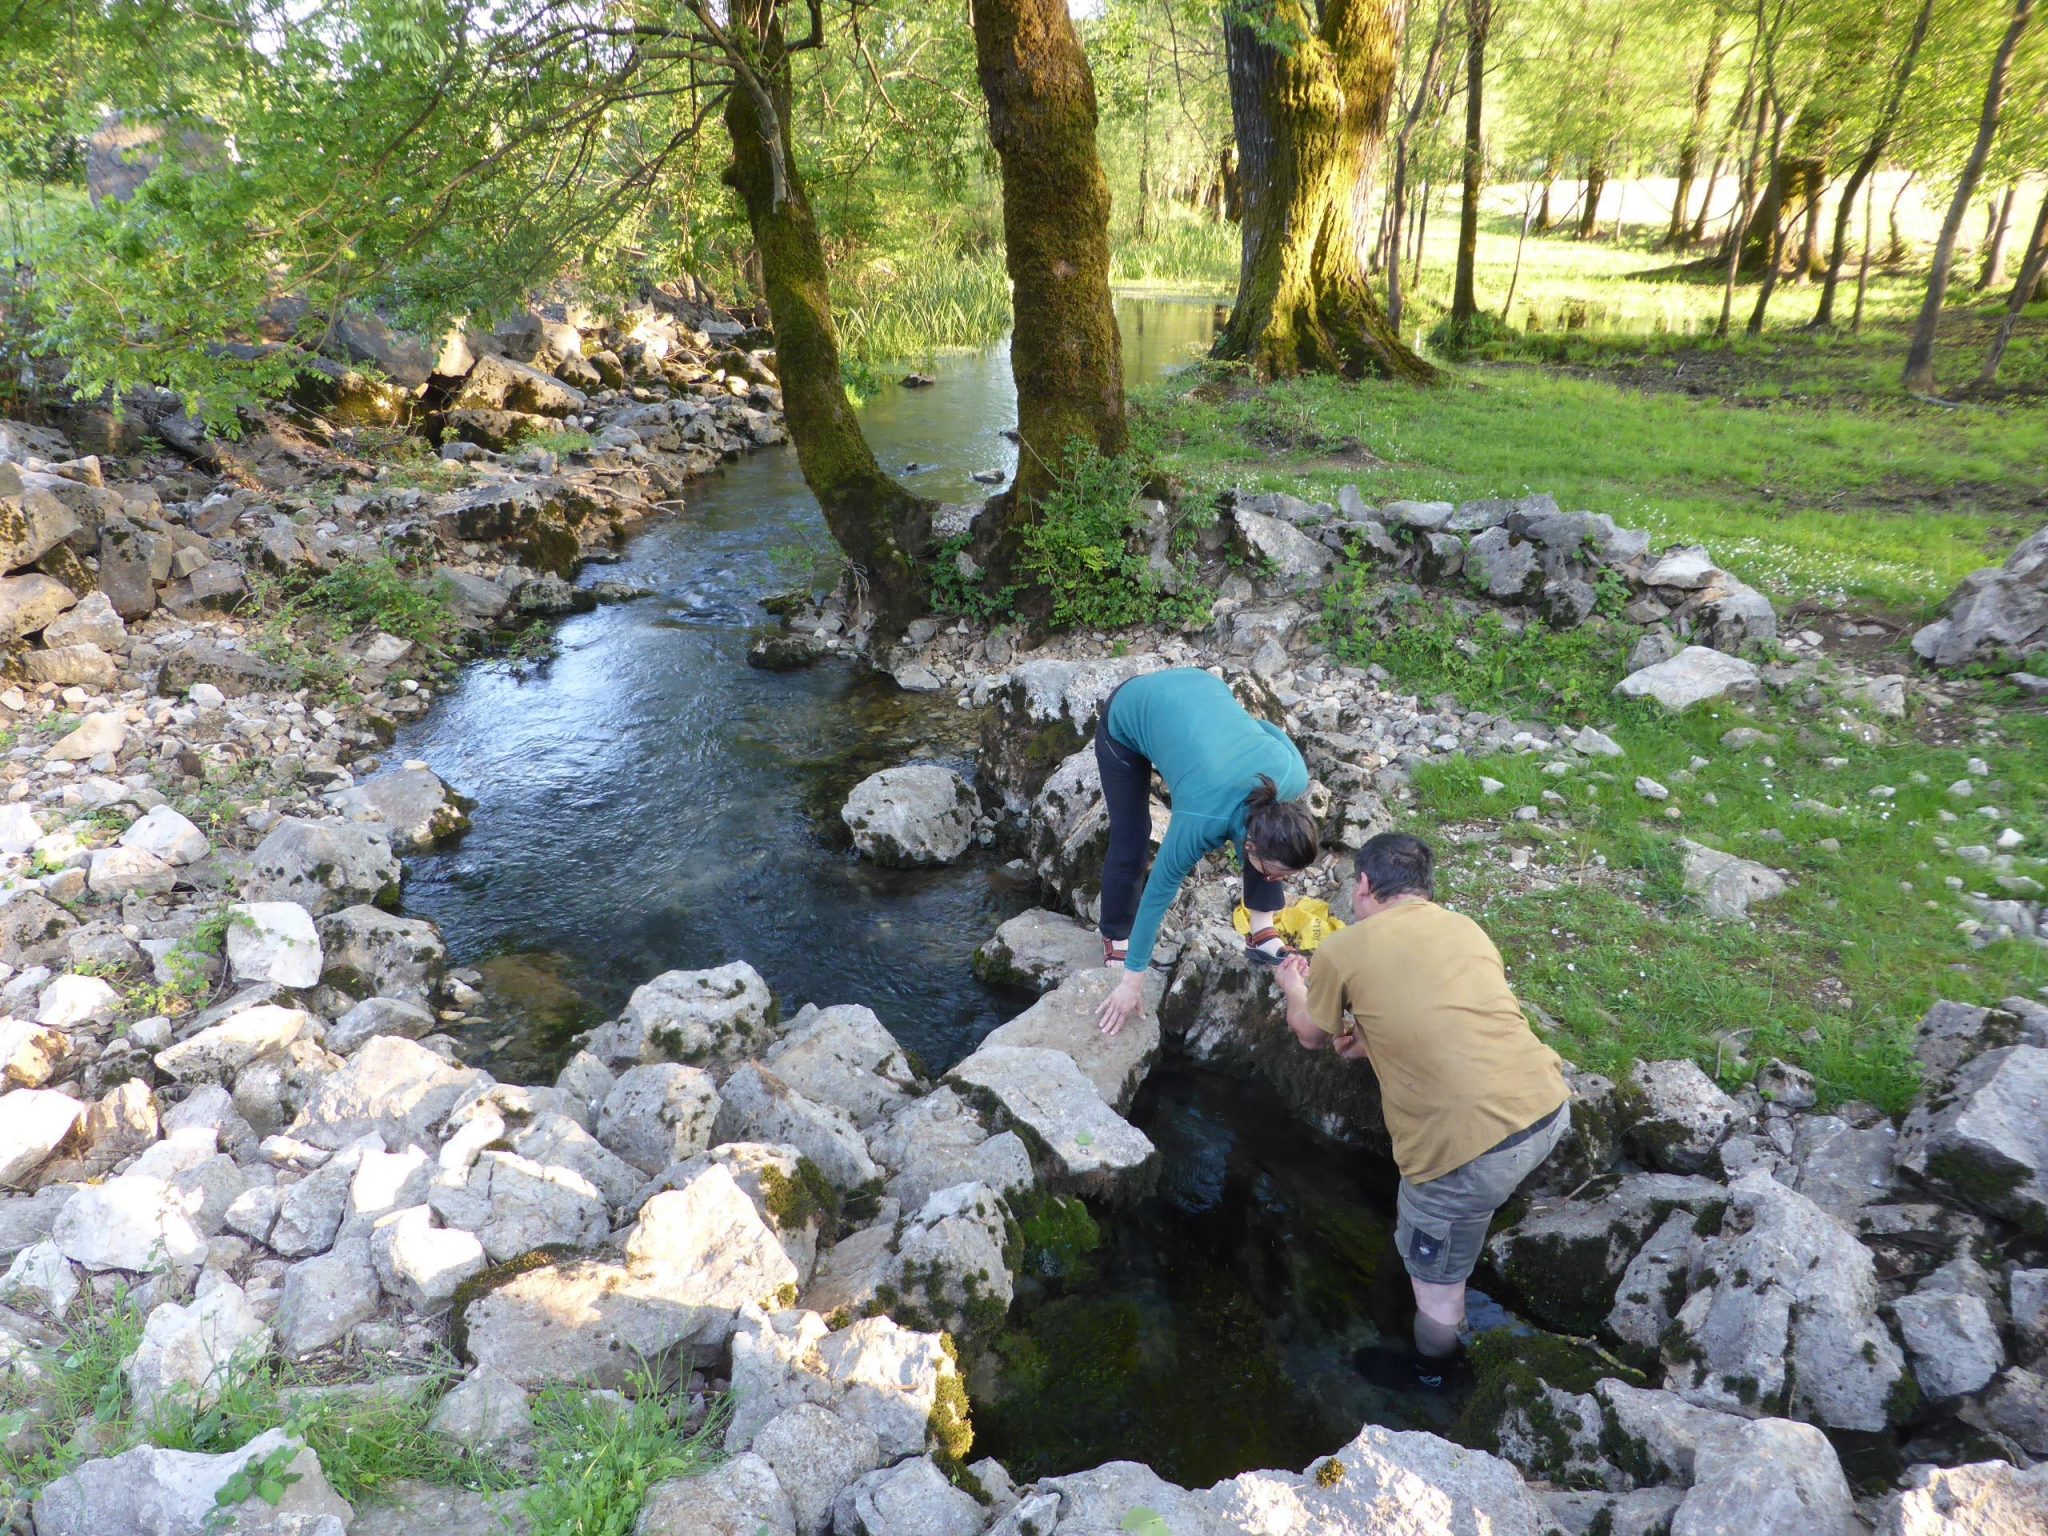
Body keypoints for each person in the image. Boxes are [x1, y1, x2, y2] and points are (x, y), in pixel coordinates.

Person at [1273, 832, 1569, 1389]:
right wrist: (1373, 1036)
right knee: (1471, 1210)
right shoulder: (1465, 927)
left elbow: (1312, 1036)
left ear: (1363, 885)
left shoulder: (1344, 948)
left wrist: (1294, 986)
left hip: (1465, 1151)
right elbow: (1455, 1012)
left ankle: (1434, 1372)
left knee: (1436, 1284)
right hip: (1548, 1108)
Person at [1092, 667, 1320, 1037]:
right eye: (1277, 873)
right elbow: (1158, 895)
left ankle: (1261, 929)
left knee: (1267, 829)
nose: (1279, 880)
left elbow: (1268, 730)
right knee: (1132, 835)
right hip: (1131, 712)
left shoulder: (1293, 775)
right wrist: (1133, 979)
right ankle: (1116, 932)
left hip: (1205, 689)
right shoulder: (1200, 819)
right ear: (1246, 847)